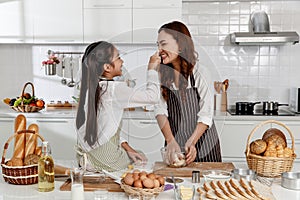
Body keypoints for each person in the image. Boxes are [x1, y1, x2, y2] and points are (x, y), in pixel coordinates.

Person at [75, 41, 161, 172]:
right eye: (119, 58)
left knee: (134, 153)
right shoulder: (114, 89)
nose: (122, 62)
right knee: (140, 161)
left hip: (87, 154)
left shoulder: (94, 87)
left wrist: (127, 148)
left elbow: (105, 128)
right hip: (104, 157)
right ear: (107, 67)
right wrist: (152, 69)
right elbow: (153, 97)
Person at [154, 21, 222, 165]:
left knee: (207, 185)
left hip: (204, 142)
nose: (159, 49)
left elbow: (206, 113)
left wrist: (192, 142)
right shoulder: (161, 74)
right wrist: (170, 141)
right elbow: (160, 110)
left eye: (164, 44)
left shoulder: (200, 73)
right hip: (175, 143)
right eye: (158, 45)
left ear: (180, 45)